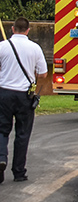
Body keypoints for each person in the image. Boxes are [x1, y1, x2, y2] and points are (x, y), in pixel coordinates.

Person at [0, 17, 48, 184]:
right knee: (22, 133)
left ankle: (1, 159)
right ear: (28, 30)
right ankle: (19, 172)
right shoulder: (35, 48)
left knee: (1, 130)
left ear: (13, 29)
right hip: (24, 95)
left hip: (4, 93)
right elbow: (43, 74)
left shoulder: (2, 46)